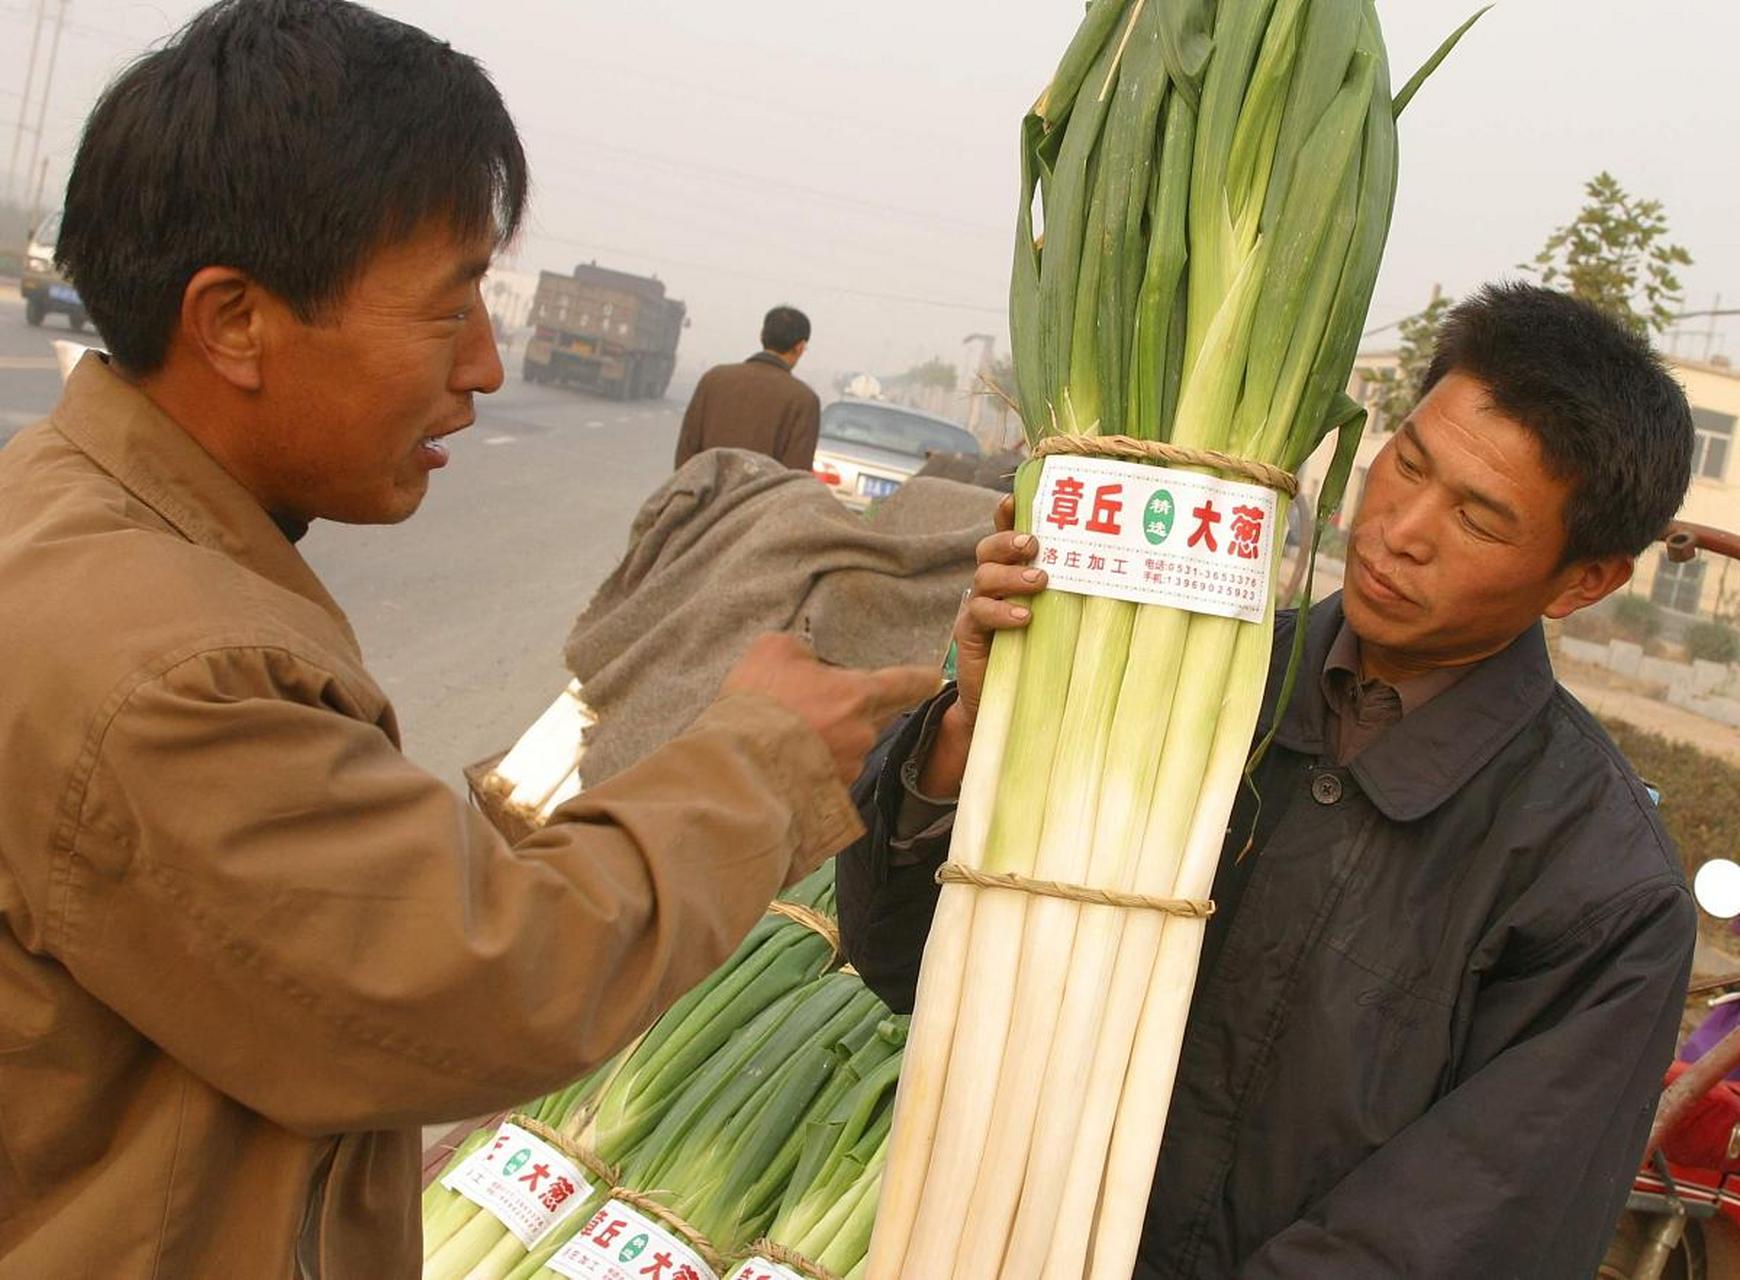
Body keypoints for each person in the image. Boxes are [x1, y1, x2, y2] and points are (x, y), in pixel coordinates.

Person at [0, 3, 936, 1275]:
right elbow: (481, 981)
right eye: (449, 314)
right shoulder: (166, 669)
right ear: (232, 320)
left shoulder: (67, 508)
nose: (489, 368)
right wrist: (761, 756)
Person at [837, 282, 1698, 1278]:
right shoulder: (1181, 679)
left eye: (1479, 517)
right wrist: (971, 732)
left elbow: (1469, 1233)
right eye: (1406, 463)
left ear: (1584, 580)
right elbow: (897, 958)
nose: (1399, 528)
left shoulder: (1602, 895)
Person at [674, 305, 822, 472]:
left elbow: (687, 449)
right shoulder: (804, 400)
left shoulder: (714, 379)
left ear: (762, 336)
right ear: (800, 347)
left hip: (706, 494)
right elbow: (796, 472)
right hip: (762, 498)